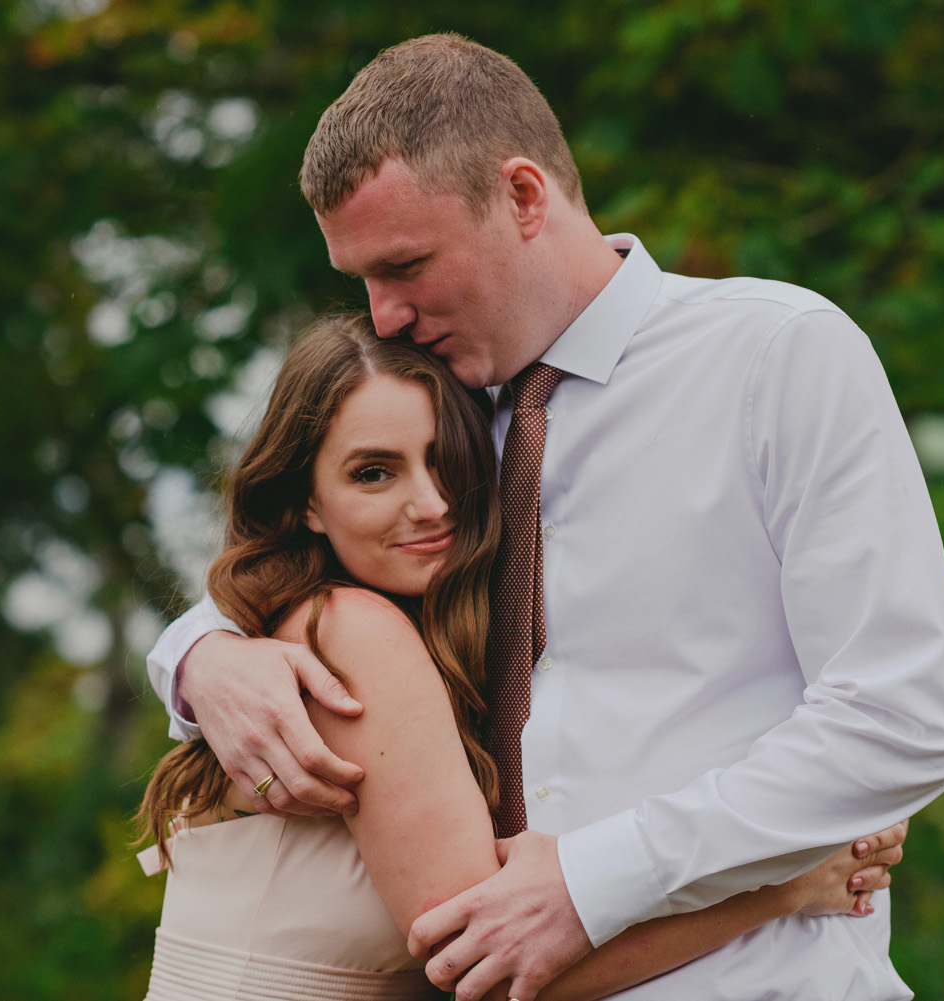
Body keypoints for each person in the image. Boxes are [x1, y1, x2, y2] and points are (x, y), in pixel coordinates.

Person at [147, 33, 944, 1001]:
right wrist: (199, 659)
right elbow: (310, 555)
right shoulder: (439, 422)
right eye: (361, 280)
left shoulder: (777, 356)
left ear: (526, 197)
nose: (382, 317)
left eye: (407, 264)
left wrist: (593, 879)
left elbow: (905, 713)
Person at [135, 312, 903, 1001]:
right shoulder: (353, 632)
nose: (431, 502)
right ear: (305, 501)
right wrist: (786, 882)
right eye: (374, 472)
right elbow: (491, 971)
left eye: (444, 460)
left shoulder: (307, 627)